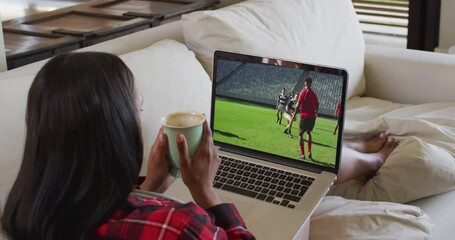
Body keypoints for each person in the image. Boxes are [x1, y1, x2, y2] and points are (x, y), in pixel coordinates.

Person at [0, 52, 255, 240]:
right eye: (138, 109)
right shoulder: (178, 226)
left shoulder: (23, 219)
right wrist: (206, 192)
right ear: (117, 129)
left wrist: (148, 188)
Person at [293, 77, 319, 160]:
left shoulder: (303, 93)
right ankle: (309, 151)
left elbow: (297, 105)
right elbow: (317, 105)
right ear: (311, 83)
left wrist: (294, 115)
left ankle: (302, 154)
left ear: (305, 83)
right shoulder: (314, 94)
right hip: (312, 118)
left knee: (300, 134)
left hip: (304, 117)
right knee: (308, 133)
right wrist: (316, 113)